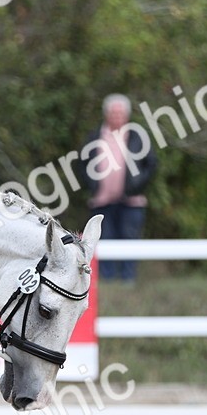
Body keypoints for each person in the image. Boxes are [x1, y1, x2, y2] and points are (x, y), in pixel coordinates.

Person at [77, 93, 158, 282]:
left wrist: (137, 185)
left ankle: (128, 280)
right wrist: (92, 184)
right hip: (101, 201)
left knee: (130, 239)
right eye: (113, 113)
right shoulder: (95, 136)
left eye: (120, 113)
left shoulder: (137, 136)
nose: (116, 116)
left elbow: (151, 164)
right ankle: (106, 281)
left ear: (127, 115)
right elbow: (82, 163)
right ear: (106, 114)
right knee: (103, 241)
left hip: (131, 201)